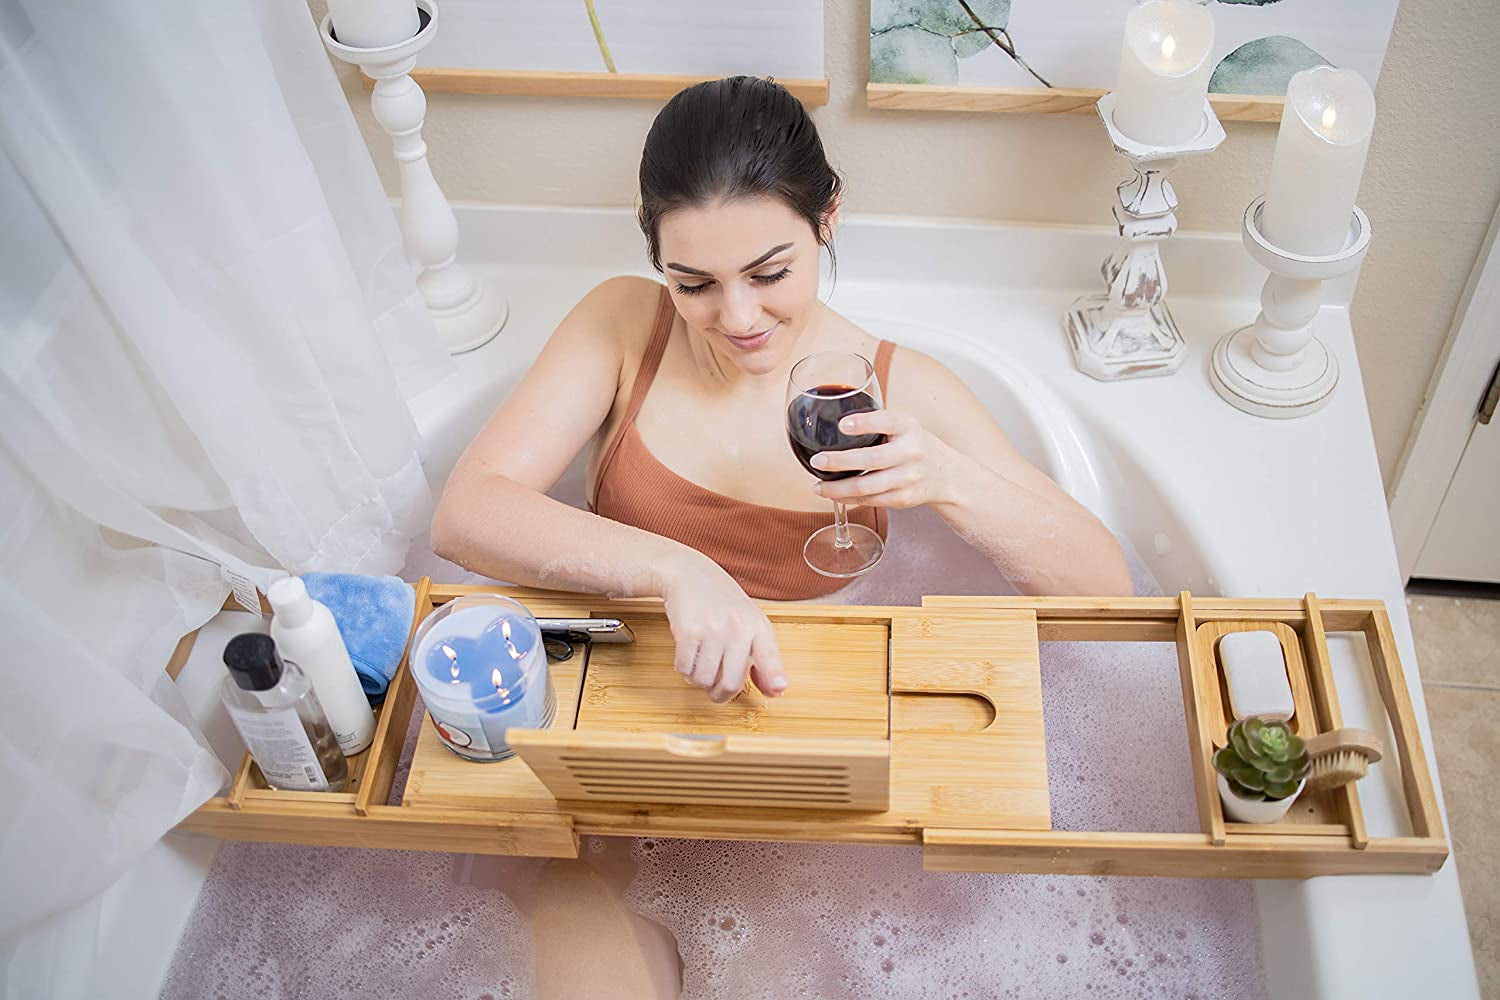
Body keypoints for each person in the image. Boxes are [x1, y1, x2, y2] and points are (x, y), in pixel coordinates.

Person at [431, 76, 1131, 705]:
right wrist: (677, 570)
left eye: (768, 275)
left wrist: (951, 480)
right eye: (694, 284)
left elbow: (1109, 602)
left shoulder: (901, 388)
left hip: (799, 699)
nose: (736, 319)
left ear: (826, 218)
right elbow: (466, 515)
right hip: (614, 693)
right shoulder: (624, 324)